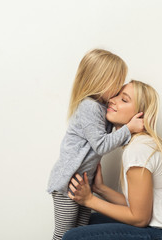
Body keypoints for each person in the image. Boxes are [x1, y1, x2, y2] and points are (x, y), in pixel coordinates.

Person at [65, 80, 162, 240]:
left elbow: (139, 218)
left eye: (124, 99)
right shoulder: (140, 144)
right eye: (115, 96)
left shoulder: (139, 149)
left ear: (139, 115)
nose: (112, 100)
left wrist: (89, 200)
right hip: (161, 229)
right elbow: (140, 207)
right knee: (89, 221)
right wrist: (100, 189)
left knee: (74, 237)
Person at [47, 49, 144, 240]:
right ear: (101, 81)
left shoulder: (101, 107)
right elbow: (101, 145)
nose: (118, 89)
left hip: (84, 185)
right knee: (63, 235)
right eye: (116, 82)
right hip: (68, 185)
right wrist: (129, 129)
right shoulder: (89, 107)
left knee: (80, 234)